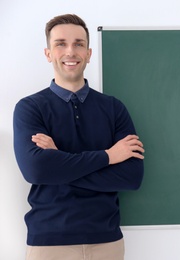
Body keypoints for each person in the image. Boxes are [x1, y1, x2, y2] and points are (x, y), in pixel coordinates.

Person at [13, 14, 144, 260]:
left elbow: (131, 177)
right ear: (48, 53)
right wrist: (109, 156)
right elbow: (37, 171)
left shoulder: (114, 108)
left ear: (89, 53)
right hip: (49, 244)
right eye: (60, 43)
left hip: (107, 243)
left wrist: (59, 161)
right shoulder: (30, 108)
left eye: (79, 44)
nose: (70, 51)